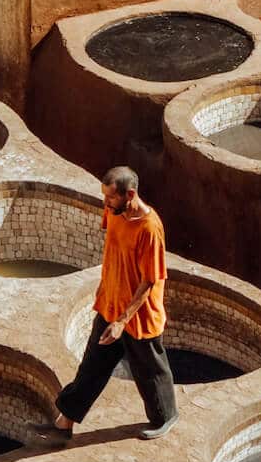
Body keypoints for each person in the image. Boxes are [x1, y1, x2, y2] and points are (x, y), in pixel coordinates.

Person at [39, 166, 178, 442]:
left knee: (149, 371)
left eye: (111, 198)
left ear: (130, 194)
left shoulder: (149, 228)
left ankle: (166, 416)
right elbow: (114, 247)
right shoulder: (114, 212)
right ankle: (65, 421)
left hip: (138, 316)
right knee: (92, 366)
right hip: (109, 305)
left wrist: (122, 321)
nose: (105, 203)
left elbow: (150, 281)